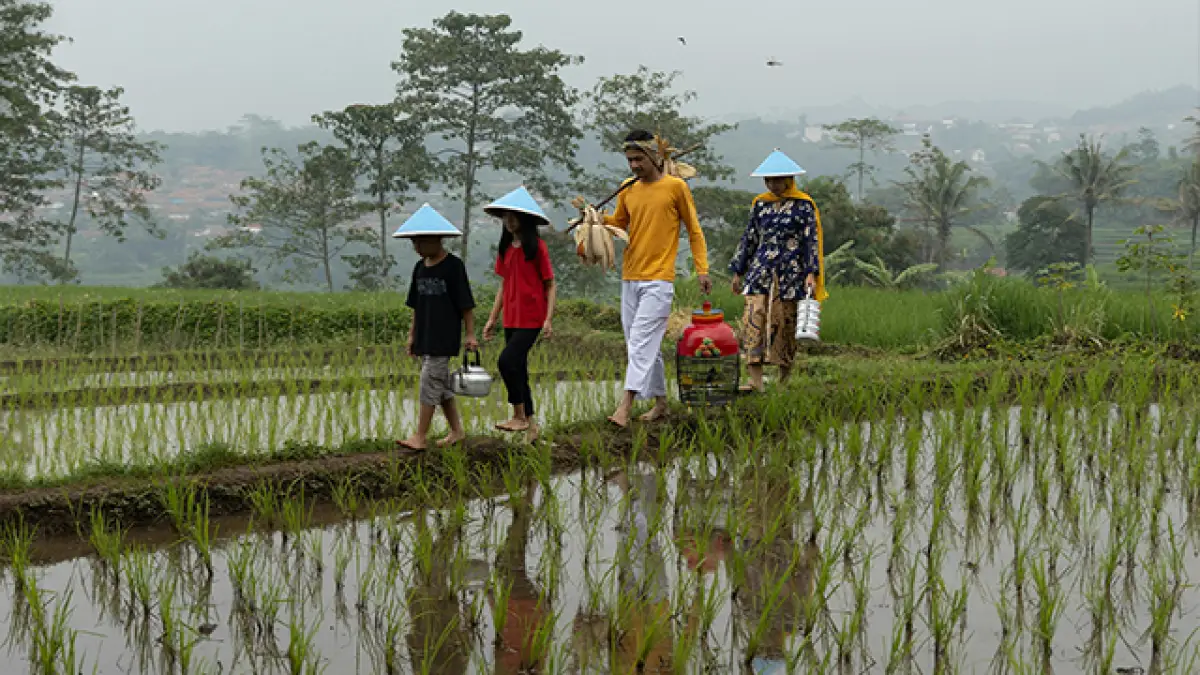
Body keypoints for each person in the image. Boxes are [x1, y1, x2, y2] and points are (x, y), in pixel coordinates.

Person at [602, 129, 712, 428]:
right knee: (639, 343)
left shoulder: (676, 187)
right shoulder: (627, 188)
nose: (634, 165)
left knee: (640, 341)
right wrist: (596, 220)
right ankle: (661, 402)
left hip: (659, 279)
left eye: (639, 159)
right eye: (630, 160)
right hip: (630, 276)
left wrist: (702, 269)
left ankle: (624, 407)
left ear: (654, 155)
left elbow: (694, 230)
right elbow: (619, 222)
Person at [729, 149, 827, 393]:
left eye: (778, 180)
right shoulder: (760, 204)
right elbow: (750, 238)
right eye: (769, 180)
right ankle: (755, 380)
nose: (773, 185)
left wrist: (811, 273)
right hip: (760, 270)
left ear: (788, 179)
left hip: (791, 272)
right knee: (754, 318)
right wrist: (738, 271)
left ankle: (784, 379)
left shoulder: (803, 205)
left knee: (785, 322)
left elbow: (810, 240)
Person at [393, 204, 478, 452]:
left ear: (436, 239)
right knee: (440, 386)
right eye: (414, 242)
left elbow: (465, 304)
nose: (417, 247)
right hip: (425, 335)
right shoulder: (419, 269)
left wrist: (470, 334)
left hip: (444, 337)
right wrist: (412, 336)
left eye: (421, 242)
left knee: (429, 381)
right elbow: (416, 306)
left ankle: (420, 436)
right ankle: (457, 431)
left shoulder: (453, 266)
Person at [481, 186, 557, 443]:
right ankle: (532, 428)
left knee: (506, 361)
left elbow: (550, 284)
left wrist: (548, 319)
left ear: (525, 219)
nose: (509, 221)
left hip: (532, 317)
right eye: (506, 216)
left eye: (514, 216)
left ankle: (519, 415)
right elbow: (504, 285)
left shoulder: (537, 248)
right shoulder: (506, 249)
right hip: (511, 318)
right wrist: (492, 318)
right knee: (519, 370)